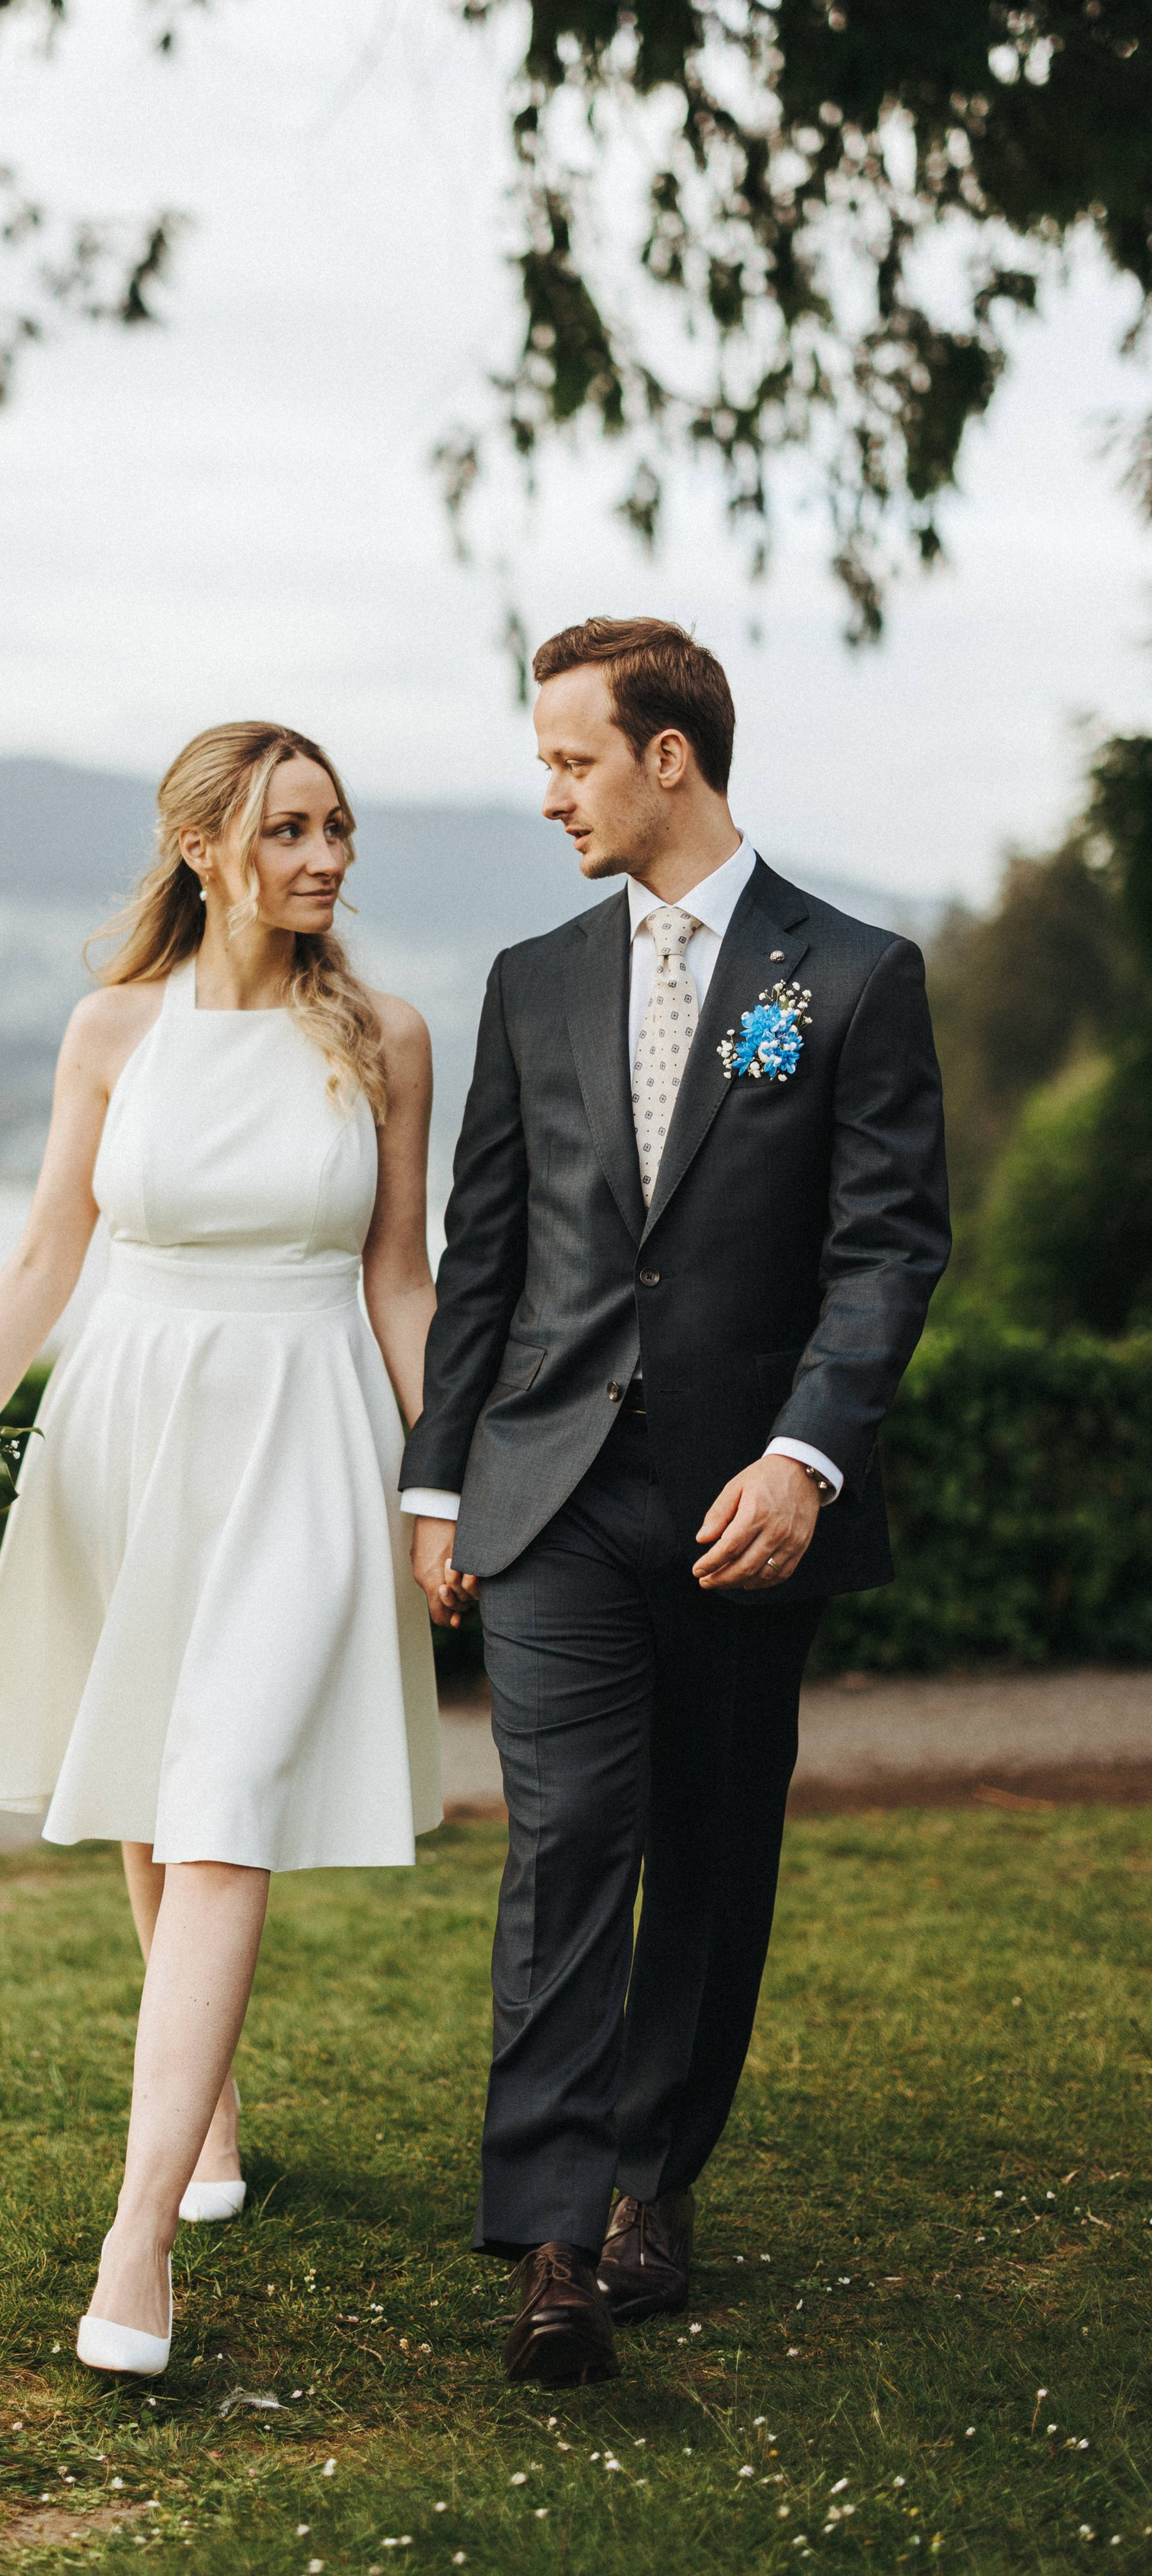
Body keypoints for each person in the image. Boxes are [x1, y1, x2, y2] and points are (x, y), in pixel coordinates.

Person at [402, 616, 949, 2386]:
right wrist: (436, 1480)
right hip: (547, 1485)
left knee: (712, 1842)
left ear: (666, 756)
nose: (544, 788)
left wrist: (803, 1454)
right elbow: (478, 1253)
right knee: (565, 1845)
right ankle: (552, 2234)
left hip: (743, 1500)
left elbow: (882, 1254)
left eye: (568, 756)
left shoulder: (852, 975)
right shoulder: (530, 975)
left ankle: (654, 2179)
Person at [0, 719, 442, 2374]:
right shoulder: (111, 1029)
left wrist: (448, 1478)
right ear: (205, 846)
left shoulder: (383, 1036)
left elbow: (400, 1281)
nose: (325, 857)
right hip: (124, 1417)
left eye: (338, 829)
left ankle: (133, 2237)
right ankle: (204, 2105)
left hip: (304, 1432)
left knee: (221, 1806)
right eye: (290, 829)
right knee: (150, 1792)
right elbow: (39, 1251)